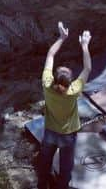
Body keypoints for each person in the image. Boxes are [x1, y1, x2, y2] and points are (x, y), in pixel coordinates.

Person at [37, 21, 92, 189]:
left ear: (54, 77)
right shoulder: (73, 90)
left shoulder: (47, 84)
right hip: (67, 135)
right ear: (70, 82)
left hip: (50, 131)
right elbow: (88, 68)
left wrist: (62, 38)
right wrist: (84, 46)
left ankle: (42, 185)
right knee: (66, 167)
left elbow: (50, 55)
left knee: (45, 160)